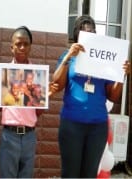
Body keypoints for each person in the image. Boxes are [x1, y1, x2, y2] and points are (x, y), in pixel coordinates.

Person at [52, 15, 131, 178]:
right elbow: (57, 84)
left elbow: (113, 97)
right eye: (84, 32)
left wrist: (121, 75)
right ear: (77, 35)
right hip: (71, 125)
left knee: (89, 175)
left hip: (97, 127)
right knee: (70, 174)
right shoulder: (69, 56)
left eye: (92, 31)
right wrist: (68, 57)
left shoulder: (103, 59)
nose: (89, 34)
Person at [0, 26, 58, 178]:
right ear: (11, 47)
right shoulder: (5, 73)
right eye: (18, 44)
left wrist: (46, 97)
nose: (22, 47)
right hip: (9, 135)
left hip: (29, 137)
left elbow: (38, 113)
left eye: (26, 44)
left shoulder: (37, 75)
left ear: (30, 47)